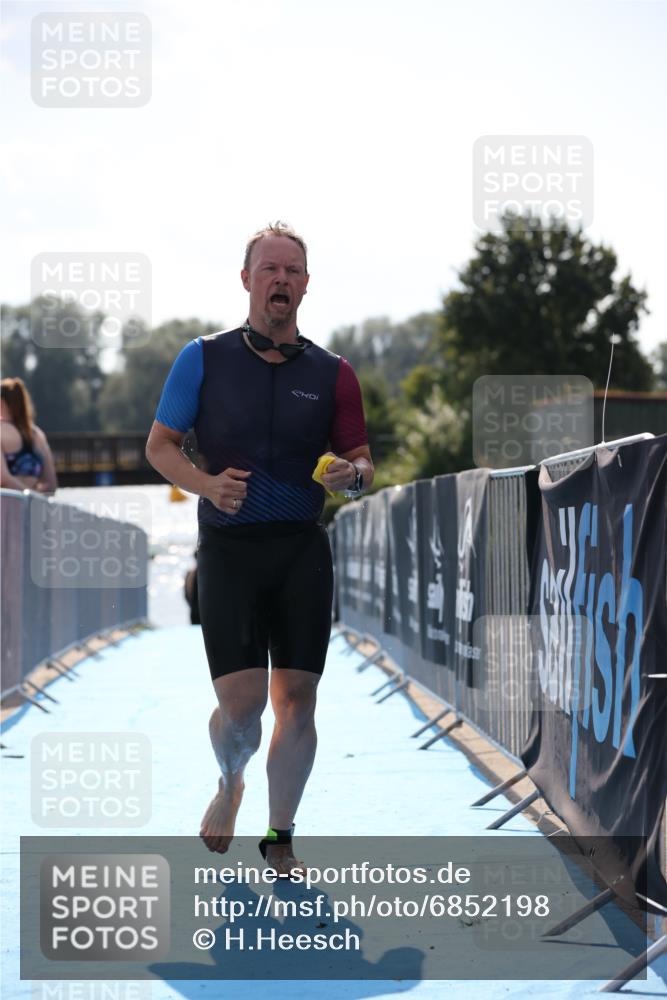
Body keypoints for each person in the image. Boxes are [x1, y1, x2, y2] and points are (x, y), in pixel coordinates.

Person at [146, 222, 373, 873]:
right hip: (230, 553)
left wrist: (349, 477)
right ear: (246, 279)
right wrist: (206, 485)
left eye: (291, 271)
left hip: (301, 549)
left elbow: (362, 465)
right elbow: (160, 445)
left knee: (298, 696)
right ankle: (229, 783)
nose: (280, 280)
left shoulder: (333, 374)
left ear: (305, 285)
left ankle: (280, 836)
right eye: (268, 269)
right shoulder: (203, 358)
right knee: (241, 712)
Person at [1, 377, 58, 495]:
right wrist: (35, 496)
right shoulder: (38, 434)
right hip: (34, 508)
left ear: (1, 403)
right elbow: (51, 484)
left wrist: (29, 494)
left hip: (7, 506)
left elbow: (4, 479)